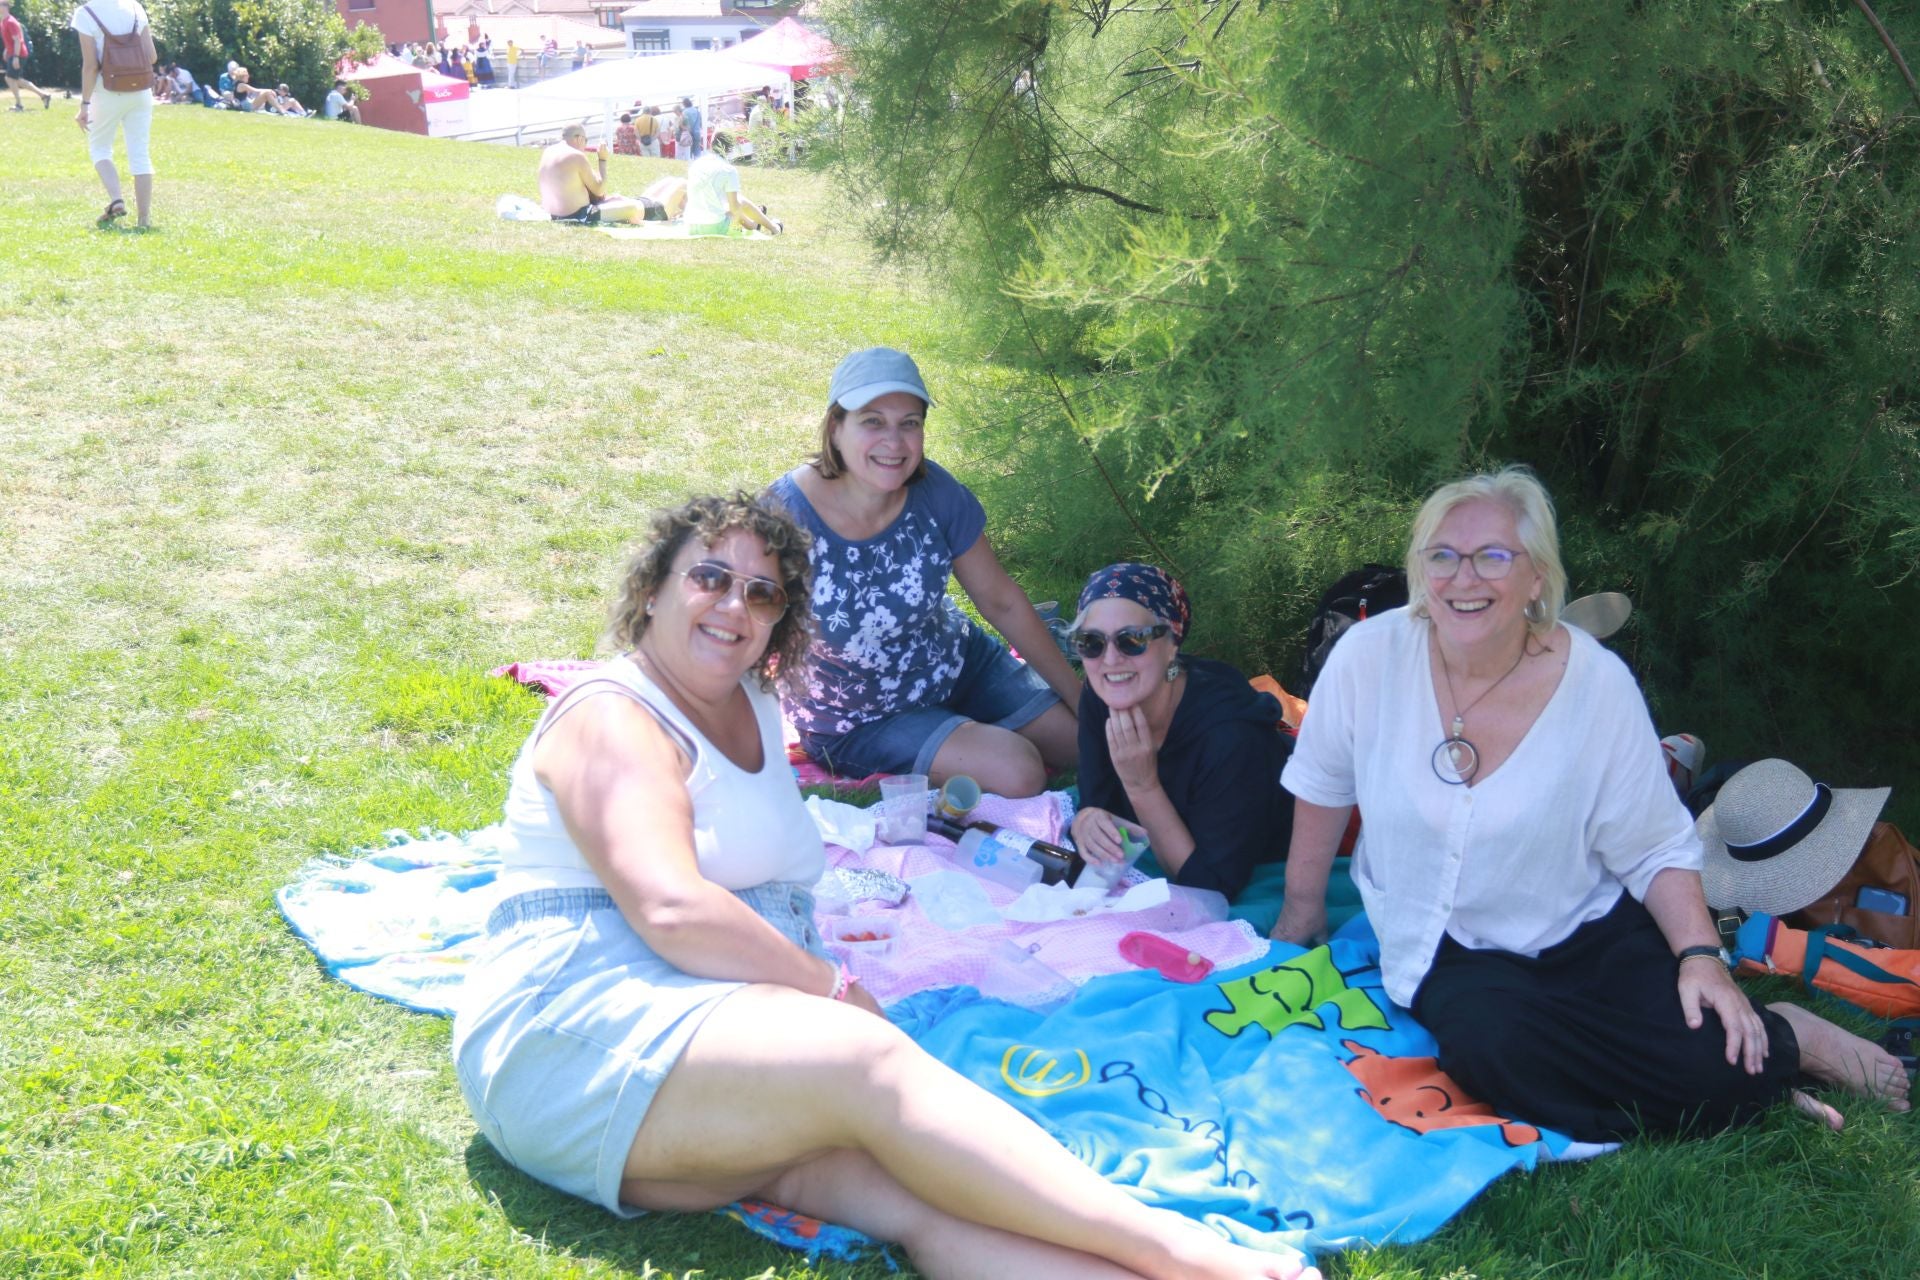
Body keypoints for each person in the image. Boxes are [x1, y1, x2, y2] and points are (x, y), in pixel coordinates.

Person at [449, 493, 1314, 1280]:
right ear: (652, 589)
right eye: (710, 577)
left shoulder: (750, 703)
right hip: (576, 1038)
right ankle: (1180, 1251)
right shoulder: (614, 713)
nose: (734, 605)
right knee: (876, 1063)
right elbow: (671, 907)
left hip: (692, 1076)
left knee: (928, 1196)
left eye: (763, 592)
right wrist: (830, 987)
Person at [1270, 466, 1911, 1140]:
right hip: (1449, 946)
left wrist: (1699, 956)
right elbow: (1322, 784)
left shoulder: (1595, 684)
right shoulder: (1369, 658)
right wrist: (1299, 911)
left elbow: (1654, 843)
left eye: (1493, 557)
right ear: (1420, 570)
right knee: (1495, 1054)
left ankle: (1786, 1041)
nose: (1464, 578)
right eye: (1444, 557)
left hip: (1586, 928)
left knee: (1708, 1059)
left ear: (1537, 578)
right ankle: (1747, 1085)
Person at [768, 349, 1081, 798]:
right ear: (835, 428)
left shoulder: (935, 491)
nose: (894, 443)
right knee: (1018, 772)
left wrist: (1080, 699)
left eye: (909, 423)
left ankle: (963, 729)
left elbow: (1001, 600)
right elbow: (740, 629)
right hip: (861, 716)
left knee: (1089, 744)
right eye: (873, 421)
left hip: (956, 664)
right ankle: (960, 738)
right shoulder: (782, 518)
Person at [1069, 563, 1295, 900]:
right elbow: (1095, 802)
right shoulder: (1100, 694)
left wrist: (1142, 785)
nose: (1110, 660)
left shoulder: (1231, 736)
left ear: (1172, 643)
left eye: (1132, 640)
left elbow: (1211, 887)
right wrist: (1085, 819)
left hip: (1262, 861)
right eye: (1091, 642)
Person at [71, 0, 154, 229]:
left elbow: (90, 66)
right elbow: (152, 56)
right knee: (140, 154)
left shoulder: (85, 13)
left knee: (100, 148)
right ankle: (144, 220)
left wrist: (84, 104)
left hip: (106, 90)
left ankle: (117, 199)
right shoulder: (136, 7)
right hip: (140, 90)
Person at [537, 122, 648, 224]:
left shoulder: (548, 151)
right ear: (579, 139)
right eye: (586, 141)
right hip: (578, 216)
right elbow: (599, 190)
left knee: (616, 198)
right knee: (632, 208)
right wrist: (602, 160)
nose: (585, 145)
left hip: (552, 214)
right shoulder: (576, 156)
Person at [681, 132, 781, 236]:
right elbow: (735, 207)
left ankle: (754, 225)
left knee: (729, 206)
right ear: (731, 149)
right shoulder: (728, 170)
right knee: (740, 202)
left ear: (711, 145)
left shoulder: (696, 164)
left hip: (690, 226)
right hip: (714, 227)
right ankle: (774, 228)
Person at [1, 0, 52, 110]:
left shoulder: (11, 22)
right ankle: (44, 95)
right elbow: (11, 40)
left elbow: (18, 41)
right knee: (15, 79)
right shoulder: (4, 21)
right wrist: (6, 50)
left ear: (5, 6)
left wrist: (15, 57)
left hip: (18, 54)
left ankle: (19, 105)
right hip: (14, 53)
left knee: (10, 78)